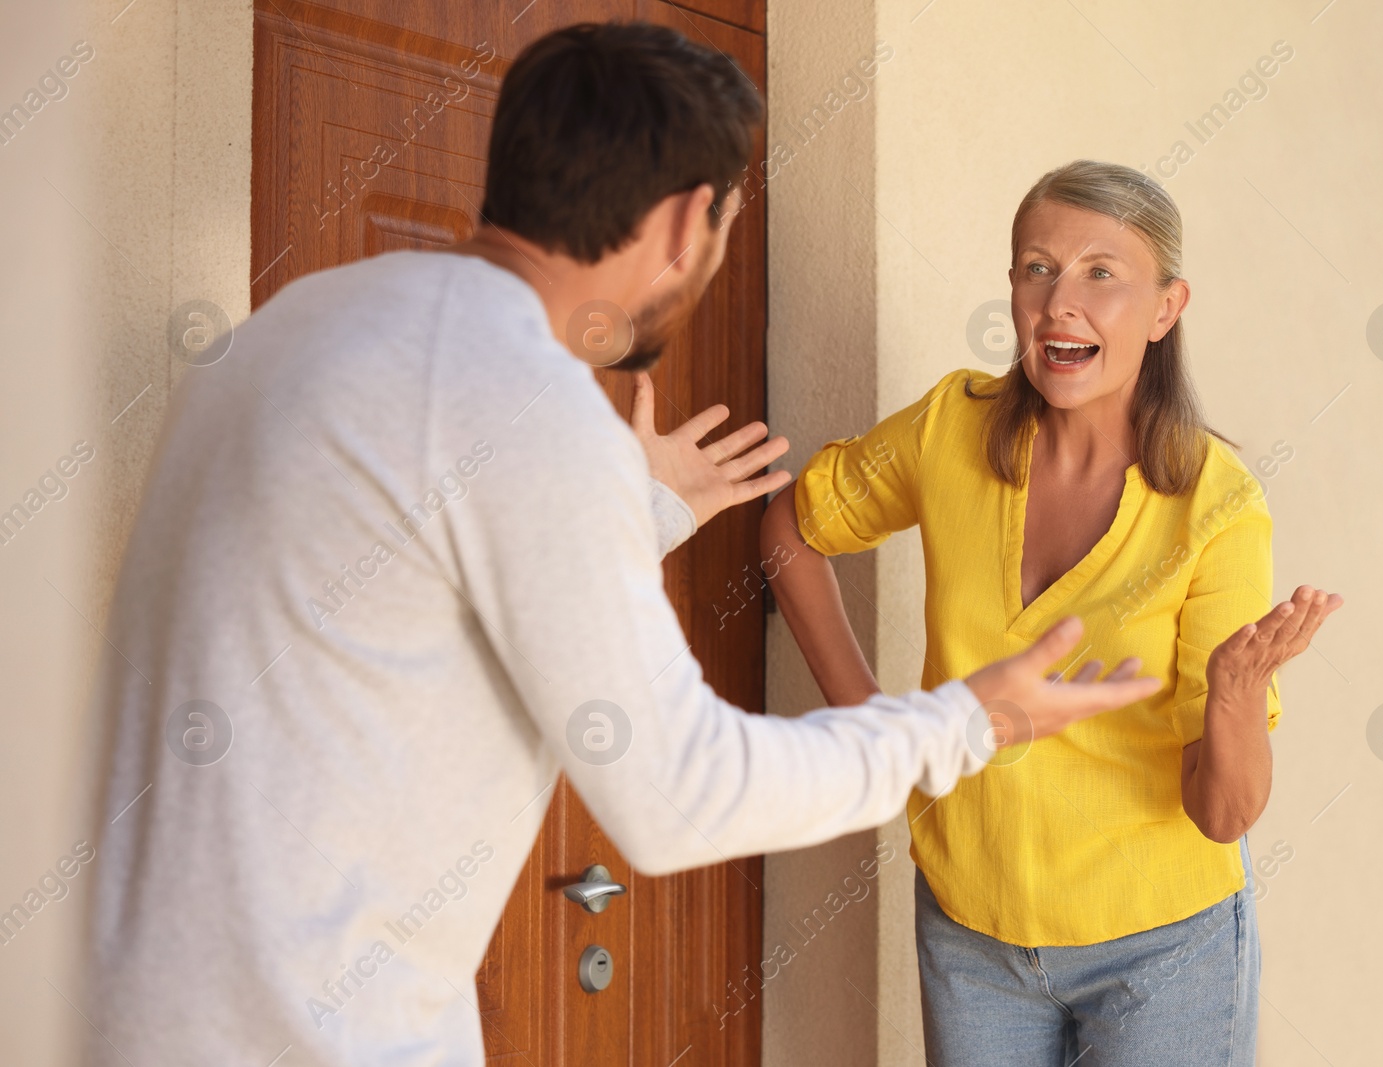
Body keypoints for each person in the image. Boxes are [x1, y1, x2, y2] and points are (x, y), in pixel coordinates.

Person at [85, 25, 1164, 1067]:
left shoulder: (288, 331)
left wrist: (638, 513)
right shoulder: (525, 405)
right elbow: (679, 792)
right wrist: (968, 720)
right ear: (686, 222)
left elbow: (385, 610)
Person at [762, 160, 1342, 1065]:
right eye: (1037, 268)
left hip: (1162, 946)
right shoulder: (949, 429)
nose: (1060, 301)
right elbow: (792, 527)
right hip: (970, 927)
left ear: (1165, 307)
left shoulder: (1217, 506)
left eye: (1101, 273)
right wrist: (873, 724)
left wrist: (1233, 695)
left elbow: (1224, 813)